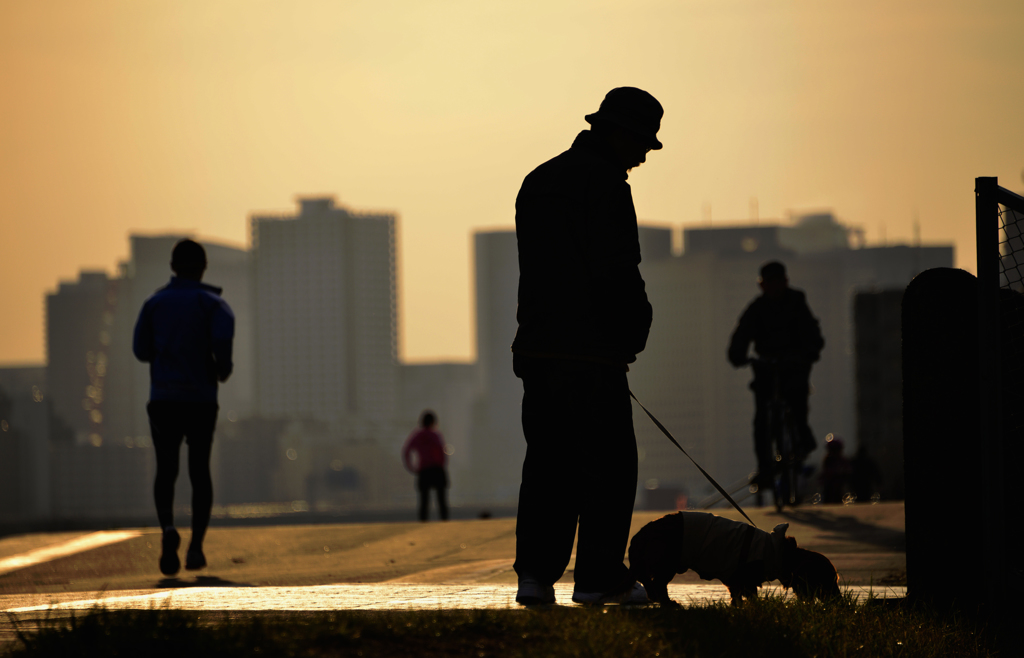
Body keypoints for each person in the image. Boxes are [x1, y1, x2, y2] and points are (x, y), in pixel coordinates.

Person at [511, 87, 661, 606]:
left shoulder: (538, 180)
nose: (643, 156)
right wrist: (634, 330)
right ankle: (597, 577)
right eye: (642, 143)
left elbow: (535, 273)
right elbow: (618, 270)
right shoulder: (607, 186)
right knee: (609, 467)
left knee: (548, 464)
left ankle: (534, 575)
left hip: (539, 352)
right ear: (619, 134)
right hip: (592, 355)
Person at [133, 239, 234, 576]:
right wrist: (220, 367)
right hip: (201, 401)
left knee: (166, 469)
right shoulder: (215, 305)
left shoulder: (153, 304)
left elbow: (141, 351)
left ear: (172, 267)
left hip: (163, 399)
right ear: (203, 267)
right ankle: (195, 548)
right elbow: (223, 356)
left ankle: (166, 528)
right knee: (199, 471)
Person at [728, 261, 824, 490]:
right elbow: (741, 336)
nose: (772, 287)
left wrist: (809, 351)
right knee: (762, 420)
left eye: (776, 282)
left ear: (785, 282)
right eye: (767, 283)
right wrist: (738, 356)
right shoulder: (756, 309)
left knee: (797, 401)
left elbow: (812, 333)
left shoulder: (797, 302)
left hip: (794, 365)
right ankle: (765, 469)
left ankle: (802, 440)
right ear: (762, 285)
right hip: (766, 368)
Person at [401, 410, 449, 522]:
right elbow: (442, 452)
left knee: (424, 502)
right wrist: (442, 465)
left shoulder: (417, 435)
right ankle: (445, 523)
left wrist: (411, 467)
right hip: (437, 469)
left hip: (424, 470)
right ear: (433, 422)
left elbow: (406, 451)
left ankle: (423, 524)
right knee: (441, 501)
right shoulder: (435, 435)